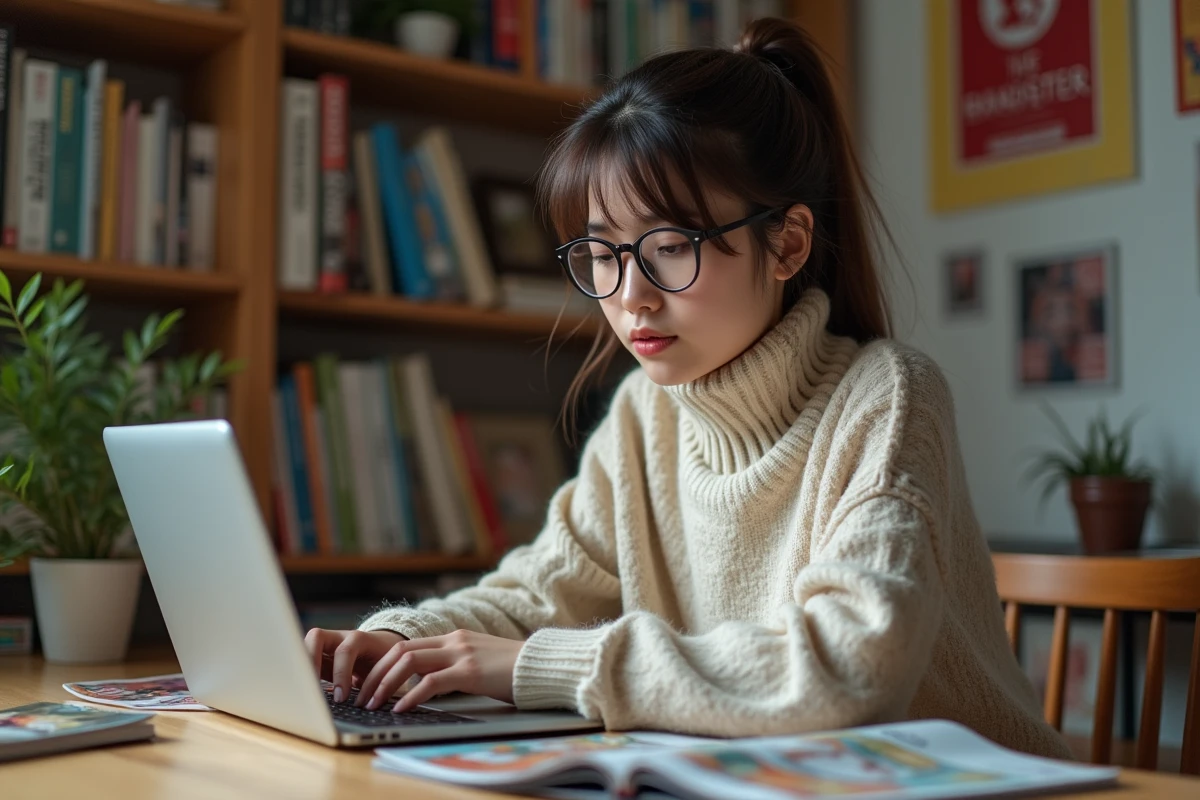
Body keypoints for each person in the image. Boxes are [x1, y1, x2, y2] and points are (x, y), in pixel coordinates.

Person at [304, 18, 1072, 760]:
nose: (629, 295)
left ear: (787, 243)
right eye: (601, 254)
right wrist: (398, 642)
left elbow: (850, 669)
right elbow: (540, 592)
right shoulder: (645, 412)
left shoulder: (887, 396)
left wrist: (540, 666)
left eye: (670, 246)